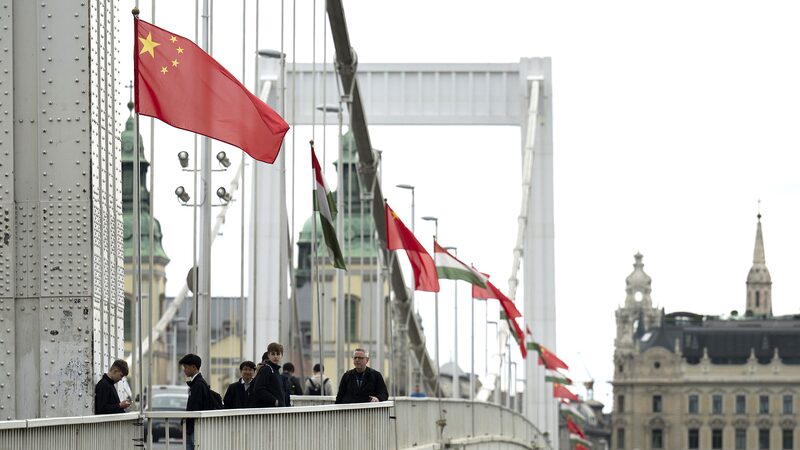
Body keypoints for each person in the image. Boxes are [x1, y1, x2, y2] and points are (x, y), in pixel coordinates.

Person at [179, 353, 210, 450]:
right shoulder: (199, 383)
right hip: (194, 425)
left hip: (194, 426)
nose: (184, 370)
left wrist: (184, 423)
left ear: (193, 367)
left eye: (185, 367)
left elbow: (194, 406)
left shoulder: (198, 384)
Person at [248, 343, 286, 408]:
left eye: (278, 354)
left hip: (276, 410)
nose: (275, 356)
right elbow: (259, 389)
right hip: (269, 410)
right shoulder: (266, 369)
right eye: (273, 354)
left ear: (281, 355)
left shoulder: (275, 370)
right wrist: (275, 401)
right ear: (268, 355)